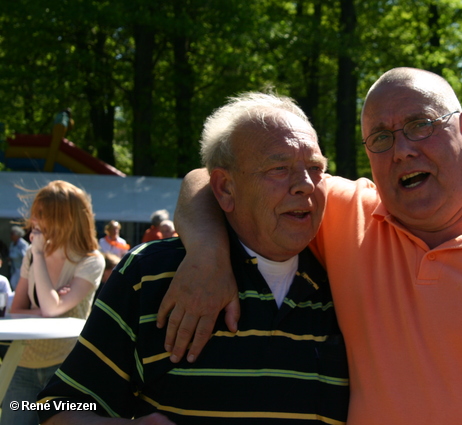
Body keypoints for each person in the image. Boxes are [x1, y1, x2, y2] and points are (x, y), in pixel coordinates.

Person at [161, 68, 462, 424]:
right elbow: (211, 179)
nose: (402, 149)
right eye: (381, 137)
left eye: (421, 125)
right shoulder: (345, 214)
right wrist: (207, 255)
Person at [37, 92, 348, 425]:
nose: (305, 184)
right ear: (226, 189)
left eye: (315, 168)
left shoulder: (345, 277)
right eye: (279, 168)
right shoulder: (152, 274)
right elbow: (49, 408)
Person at [3, 180, 105, 425]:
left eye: (41, 214)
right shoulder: (32, 253)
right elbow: (15, 309)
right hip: (23, 363)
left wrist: (38, 255)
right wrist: (52, 304)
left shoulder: (91, 261)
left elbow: (48, 309)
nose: (34, 221)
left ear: (65, 218)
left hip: (66, 369)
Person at [8, 225, 30, 290]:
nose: (11, 236)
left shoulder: (23, 244)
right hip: (15, 269)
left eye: (12, 234)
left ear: (17, 235)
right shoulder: (12, 244)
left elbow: (25, 256)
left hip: (22, 268)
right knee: (13, 283)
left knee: (22, 286)